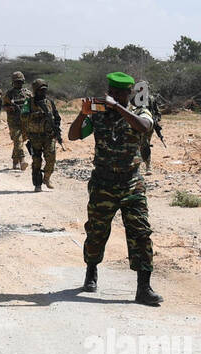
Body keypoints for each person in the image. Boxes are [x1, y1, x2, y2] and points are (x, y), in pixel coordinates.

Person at [66, 71, 163, 306]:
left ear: (129, 94)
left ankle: (143, 287)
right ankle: (91, 270)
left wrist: (119, 108)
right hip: (103, 182)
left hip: (131, 183)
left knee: (141, 233)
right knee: (97, 232)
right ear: (109, 92)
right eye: (113, 93)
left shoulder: (140, 111)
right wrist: (83, 114)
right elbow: (73, 135)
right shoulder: (99, 114)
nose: (116, 97)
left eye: (121, 94)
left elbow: (143, 126)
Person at [21, 78, 63, 192]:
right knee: (36, 161)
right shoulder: (29, 102)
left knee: (51, 159)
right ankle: (37, 184)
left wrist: (57, 129)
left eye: (44, 90)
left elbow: (57, 117)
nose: (43, 92)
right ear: (35, 90)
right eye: (40, 90)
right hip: (35, 137)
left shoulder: (50, 102)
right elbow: (23, 116)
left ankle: (47, 177)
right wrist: (38, 115)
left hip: (49, 136)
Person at [3, 71, 32, 171]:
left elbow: (32, 105)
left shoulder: (27, 93)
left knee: (20, 141)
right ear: (13, 82)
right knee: (18, 140)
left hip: (25, 121)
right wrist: (10, 108)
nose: (18, 84)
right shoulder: (9, 94)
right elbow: (4, 105)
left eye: (20, 82)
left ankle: (15, 161)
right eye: (16, 82)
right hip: (13, 121)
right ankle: (22, 161)